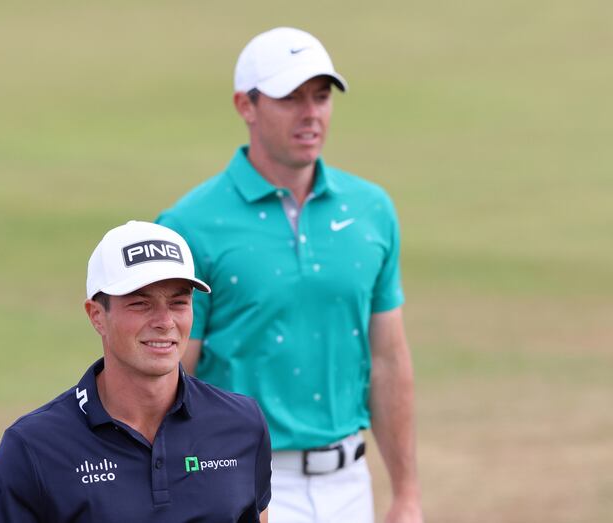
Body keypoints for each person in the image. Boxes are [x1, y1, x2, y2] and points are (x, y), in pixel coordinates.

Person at [157, 27, 422, 523]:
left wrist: (406, 494)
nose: (311, 113)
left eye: (321, 97)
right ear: (246, 105)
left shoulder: (371, 211)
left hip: (350, 485)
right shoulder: (190, 227)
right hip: (243, 482)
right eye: (291, 98)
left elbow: (388, 359)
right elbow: (169, 379)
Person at [0, 221, 271, 523]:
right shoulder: (34, 445)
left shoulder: (242, 424)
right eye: (140, 304)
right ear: (97, 316)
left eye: (178, 303)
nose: (165, 321)